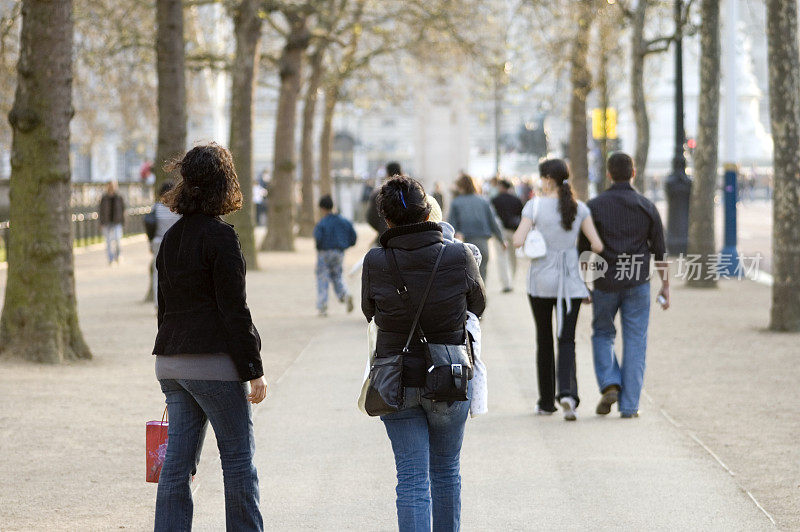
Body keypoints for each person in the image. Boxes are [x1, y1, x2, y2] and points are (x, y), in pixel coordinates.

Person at [152, 143, 267, 531]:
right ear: (225, 183)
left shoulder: (170, 239)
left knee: (176, 467)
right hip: (213, 364)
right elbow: (234, 311)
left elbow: (163, 308)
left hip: (171, 364)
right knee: (237, 460)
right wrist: (254, 369)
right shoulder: (221, 238)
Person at [361, 175, 485, 531]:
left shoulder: (375, 260)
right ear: (428, 211)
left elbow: (370, 312)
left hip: (395, 377)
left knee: (412, 477)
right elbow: (478, 304)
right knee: (446, 471)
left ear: (386, 220)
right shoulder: (459, 254)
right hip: (449, 373)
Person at [578, 152, 669, 419]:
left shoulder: (594, 206)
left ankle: (609, 382)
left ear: (608, 174)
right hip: (638, 281)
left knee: (602, 333)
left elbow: (584, 251)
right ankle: (630, 406)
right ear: (634, 173)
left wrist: (584, 284)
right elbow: (660, 252)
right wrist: (666, 287)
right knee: (635, 341)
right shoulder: (646, 206)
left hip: (605, 282)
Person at [513, 159, 604, 421]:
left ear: (548, 179)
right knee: (567, 340)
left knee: (544, 339)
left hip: (541, 281)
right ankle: (568, 395)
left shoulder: (535, 205)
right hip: (571, 282)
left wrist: (536, 238)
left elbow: (518, 239)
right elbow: (597, 245)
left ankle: (545, 402)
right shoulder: (580, 208)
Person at [448, 173, 505, 283]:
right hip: (483, 241)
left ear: (460, 187)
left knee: (467, 275)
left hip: (464, 243)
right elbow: (493, 222)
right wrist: (501, 240)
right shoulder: (483, 201)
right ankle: (482, 297)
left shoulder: (456, 202)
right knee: (482, 273)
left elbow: (451, 226)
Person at [313, 194, 357, 317]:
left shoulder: (322, 223)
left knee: (323, 278)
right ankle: (344, 294)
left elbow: (318, 238)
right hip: (339, 252)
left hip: (324, 253)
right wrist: (347, 245)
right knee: (337, 276)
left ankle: (322, 306)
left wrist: (319, 247)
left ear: (322, 208)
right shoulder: (343, 221)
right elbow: (353, 236)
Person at [148, 182, 181, 309]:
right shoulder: (178, 209)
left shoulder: (157, 208)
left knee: (157, 274)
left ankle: (158, 302)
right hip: (174, 244)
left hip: (158, 242)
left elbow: (151, 225)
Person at [491, 179, 524, 292]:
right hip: (514, 231)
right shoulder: (516, 200)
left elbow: (492, 217)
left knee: (501, 257)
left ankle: (506, 283)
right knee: (513, 257)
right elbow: (522, 215)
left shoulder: (495, 200)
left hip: (500, 231)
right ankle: (512, 279)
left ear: (501, 186)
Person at [366, 161, 401, 241]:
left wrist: (382, 227)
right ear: (401, 172)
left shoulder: (378, 193)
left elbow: (371, 218)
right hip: (407, 237)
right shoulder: (411, 191)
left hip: (384, 236)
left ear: (387, 174)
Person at [99, 181, 125, 264]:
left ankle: (118, 256)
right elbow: (100, 210)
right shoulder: (104, 197)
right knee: (108, 242)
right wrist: (101, 222)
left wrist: (123, 221)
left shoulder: (119, 196)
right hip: (106, 222)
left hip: (117, 222)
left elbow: (123, 209)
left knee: (117, 240)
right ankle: (110, 259)